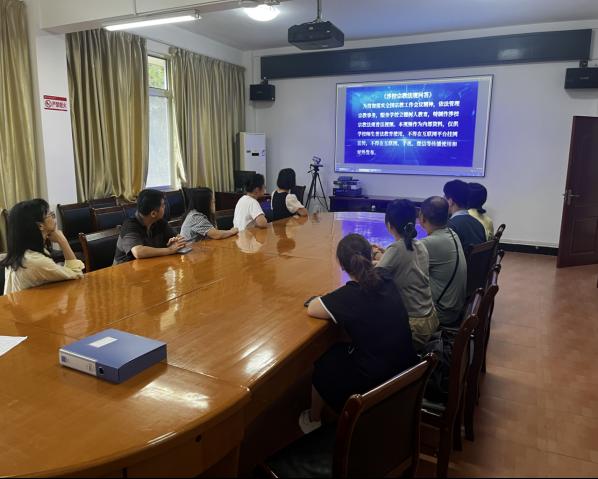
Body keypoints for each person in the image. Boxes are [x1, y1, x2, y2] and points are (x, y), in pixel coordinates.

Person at [302, 233, 417, 433]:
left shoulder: (348, 296)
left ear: (341, 264)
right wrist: (377, 255)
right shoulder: (386, 278)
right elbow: (379, 267)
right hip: (407, 370)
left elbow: (312, 308)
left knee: (323, 364)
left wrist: (325, 298)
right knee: (341, 350)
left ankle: (313, 419)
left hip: (376, 382)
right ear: (370, 257)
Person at [372, 199, 438, 348]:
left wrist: (365, 261)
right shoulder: (419, 244)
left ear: (389, 225)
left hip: (414, 327)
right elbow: (403, 262)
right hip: (429, 319)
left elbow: (373, 280)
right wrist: (382, 255)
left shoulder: (396, 249)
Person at [1, 199, 84, 294]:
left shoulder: (21, 255)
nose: (54, 218)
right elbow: (77, 274)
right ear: (40, 226)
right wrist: (62, 240)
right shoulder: (34, 261)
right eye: (50, 214)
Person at [419, 196, 467, 327]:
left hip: (441, 313)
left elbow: (401, 265)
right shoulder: (451, 233)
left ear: (422, 218)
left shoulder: (428, 243)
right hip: (454, 308)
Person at [113, 189, 187, 264]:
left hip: (149, 265)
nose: (165, 206)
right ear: (153, 214)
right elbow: (138, 252)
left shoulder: (159, 221)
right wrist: (169, 250)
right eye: (162, 205)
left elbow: (180, 239)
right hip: (125, 268)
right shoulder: (129, 225)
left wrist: (175, 243)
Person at [443, 179, 486, 254]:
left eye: (444, 198)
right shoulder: (478, 223)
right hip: (478, 261)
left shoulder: (451, 225)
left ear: (450, 201)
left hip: (462, 261)